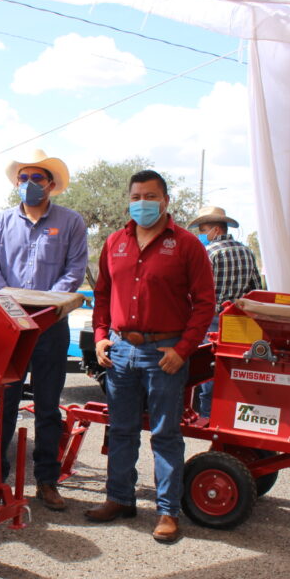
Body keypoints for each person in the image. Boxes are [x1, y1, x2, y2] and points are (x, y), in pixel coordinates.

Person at [85, 169, 214, 543]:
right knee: (121, 430)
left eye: (151, 196)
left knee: (165, 434)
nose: (143, 203)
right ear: (129, 200)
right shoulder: (115, 242)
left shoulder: (188, 245)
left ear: (166, 201)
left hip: (164, 353)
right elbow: (104, 296)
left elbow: (205, 303)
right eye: (137, 196)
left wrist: (183, 349)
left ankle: (167, 512)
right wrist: (99, 338)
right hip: (121, 351)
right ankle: (119, 499)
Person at [0, 149, 88, 511]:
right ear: (16, 183)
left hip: (50, 327)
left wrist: (44, 308)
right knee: (4, 403)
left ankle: (46, 480)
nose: (29, 184)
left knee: (47, 406)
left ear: (51, 184)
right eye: (23, 178)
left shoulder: (71, 222)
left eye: (37, 178)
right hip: (9, 327)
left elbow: (74, 271)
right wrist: (12, 307)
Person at [188, 205, 263, 418]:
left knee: (208, 369)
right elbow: (256, 290)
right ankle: (233, 416)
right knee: (235, 368)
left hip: (210, 319)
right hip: (239, 320)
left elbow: (194, 290)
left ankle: (208, 415)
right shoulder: (247, 252)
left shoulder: (207, 253)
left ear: (217, 230)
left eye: (203, 230)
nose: (201, 235)